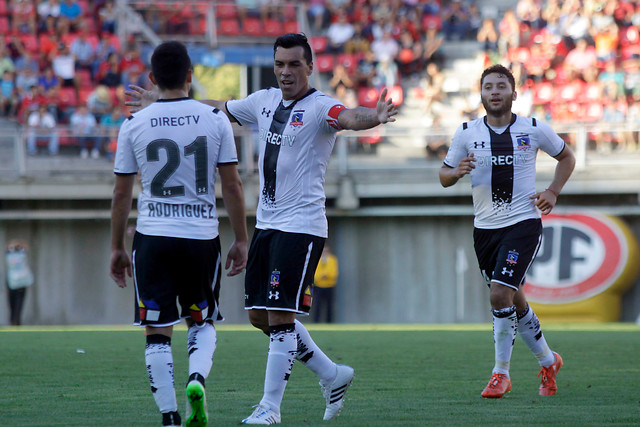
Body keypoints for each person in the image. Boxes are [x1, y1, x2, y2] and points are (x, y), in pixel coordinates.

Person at [126, 32, 398, 425]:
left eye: (293, 64)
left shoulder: (321, 107)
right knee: (259, 316)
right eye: (279, 64)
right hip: (267, 222)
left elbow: (349, 116)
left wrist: (374, 116)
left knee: (281, 317)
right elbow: (216, 108)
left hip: (301, 226)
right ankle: (331, 374)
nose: (285, 72)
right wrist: (161, 101)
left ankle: (270, 407)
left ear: (310, 66)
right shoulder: (264, 100)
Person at [110, 41, 248, 427]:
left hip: (152, 236)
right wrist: (241, 239)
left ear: (152, 79)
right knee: (201, 321)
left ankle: (170, 416)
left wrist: (116, 246)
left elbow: (121, 193)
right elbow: (233, 185)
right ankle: (196, 380)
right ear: (191, 75)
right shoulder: (214, 118)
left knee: (157, 331)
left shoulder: (134, 123)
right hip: (201, 237)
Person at [439, 64, 575, 399]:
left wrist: (553, 191)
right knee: (513, 300)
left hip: (522, 225)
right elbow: (443, 175)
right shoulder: (467, 132)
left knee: (500, 294)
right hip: (484, 231)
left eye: (502, 86)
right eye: (489, 87)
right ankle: (548, 360)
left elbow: (567, 157)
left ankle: (500, 373)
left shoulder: (533, 129)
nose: (495, 92)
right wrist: (456, 172)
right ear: (482, 94)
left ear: (514, 93)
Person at [5, 240, 34, 326]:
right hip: (16, 282)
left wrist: (15, 244)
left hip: (15, 282)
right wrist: (18, 244)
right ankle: (15, 321)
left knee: (15, 303)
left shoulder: (10, 254)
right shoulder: (20, 254)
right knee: (16, 303)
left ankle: (15, 321)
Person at [312, 245, 339, 323]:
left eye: (326, 251)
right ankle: (316, 322)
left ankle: (329, 322)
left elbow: (334, 273)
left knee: (329, 305)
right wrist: (321, 276)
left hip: (329, 286)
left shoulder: (332, 260)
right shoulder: (317, 260)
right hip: (319, 286)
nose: (324, 253)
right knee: (317, 305)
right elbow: (315, 274)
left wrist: (326, 275)